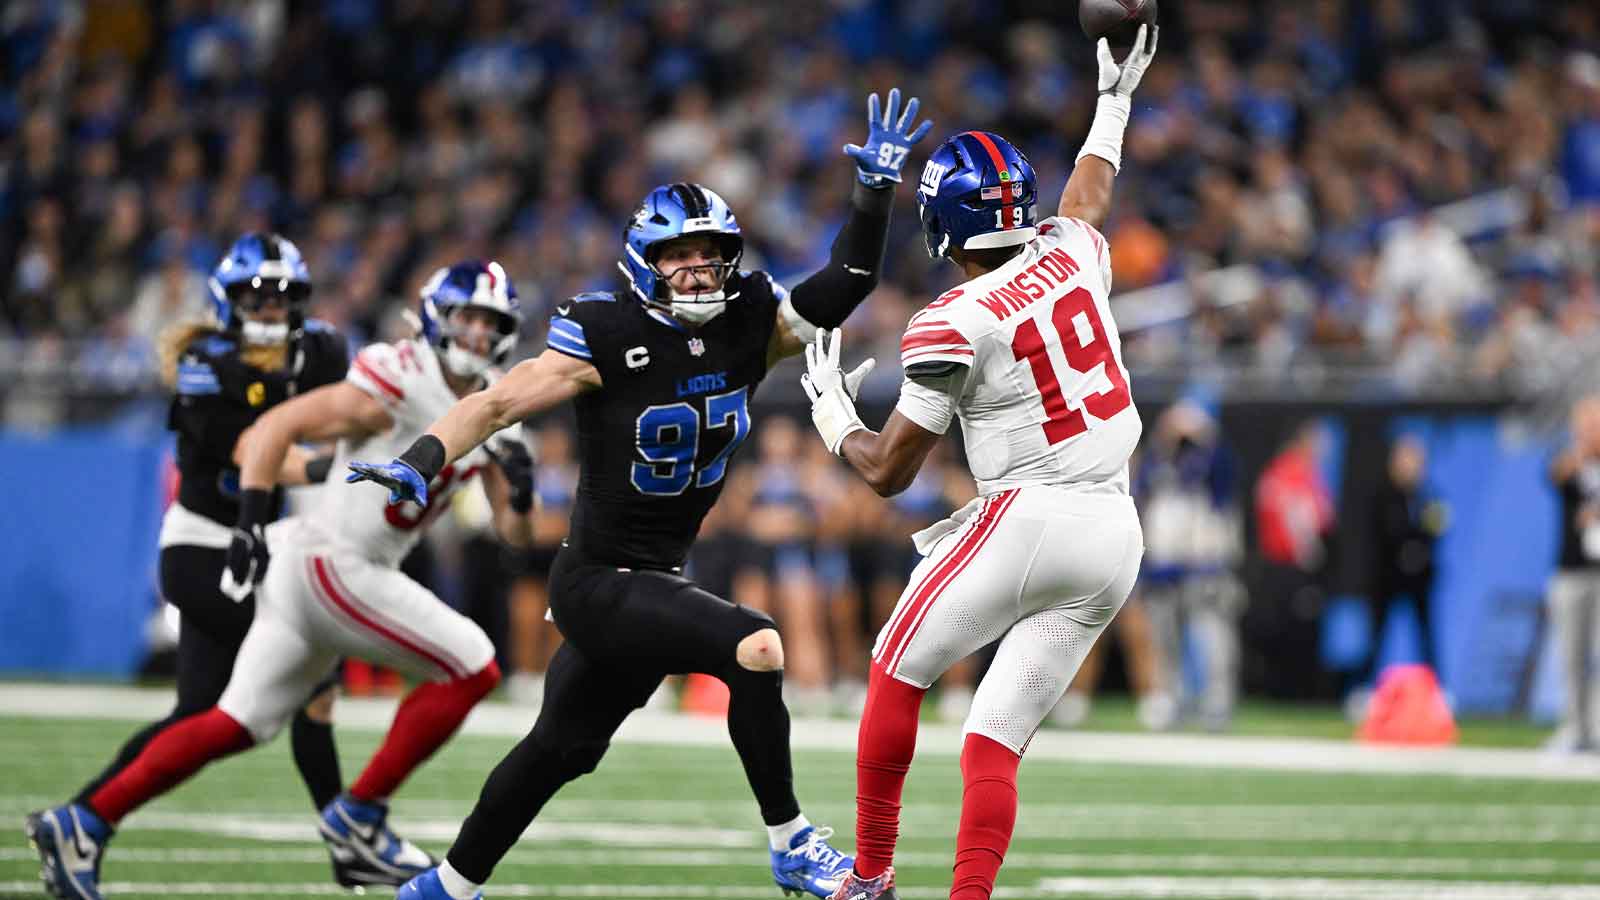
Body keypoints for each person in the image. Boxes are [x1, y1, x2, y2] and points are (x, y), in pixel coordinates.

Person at [349, 88, 933, 900]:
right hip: (595, 580)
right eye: (676, 255)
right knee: (756, 645)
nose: (696, 267)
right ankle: (792, 844)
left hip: (656, 577)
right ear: (644, 263)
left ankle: (443, 887)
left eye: (709, 252)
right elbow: (496, 401)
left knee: (560, 750)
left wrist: (872, 193)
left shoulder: (748, 322)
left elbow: (850, 278)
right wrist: (423, 457)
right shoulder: (605, 332)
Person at [27, 261, 535, 899]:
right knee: (474, 665)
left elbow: (509, 540)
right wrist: (247, 522)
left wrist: (517, 494)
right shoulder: (403, 378)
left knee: (237, 722)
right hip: (337, 559)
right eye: (468, 316)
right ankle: (361, 817)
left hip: (322, 570)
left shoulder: (498, 404)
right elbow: (274, 428)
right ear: (437, 316)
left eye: (492, 323)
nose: (479, 333)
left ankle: (84, 820)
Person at [800, 29, 1156, 900]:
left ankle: (872, 877)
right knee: (993, 739)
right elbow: (1090, 195)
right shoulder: (1072, 253)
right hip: (1115, 534)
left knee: (894, 668)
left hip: (1030, 516)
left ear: (939, 223)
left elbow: (889, 472)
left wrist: (833, 417)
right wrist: (1113, 101)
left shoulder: (953, 318)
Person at [26, 233, 352, 900]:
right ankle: (350, 838)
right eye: (256, 293)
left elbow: (343, 416)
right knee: (313, 671)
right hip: (205, 550)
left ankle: (79, 819)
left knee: (195, 715)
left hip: (255, 543)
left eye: (283, 294)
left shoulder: (319, 349)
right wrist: (335, 464)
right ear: (226, 300)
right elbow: (260, 455)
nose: (269, 305)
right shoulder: (208, 362)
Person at [1136, 400, 1245, 730]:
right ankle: (1171, 699)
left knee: (1212, 634)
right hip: (1163, 562)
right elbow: (1142, 490)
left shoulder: (1213, 462)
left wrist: (1204, 436)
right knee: (1163, 636)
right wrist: (1164, 440)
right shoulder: (1156, 462)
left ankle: (1217, 702)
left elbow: (1224, 476)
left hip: (1205, 562)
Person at [1366, 435, 1447, 681]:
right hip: (1388, 576)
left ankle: (1435, 688)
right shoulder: (1382, 494)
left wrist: (1420, 551)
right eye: (1408, 459)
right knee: (1378, 635)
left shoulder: (1428, 496)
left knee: (1425, 634)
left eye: (1417, 460)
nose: (1412, 465)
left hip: (1420, 578)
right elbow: (1385, 533)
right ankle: (1369, 686)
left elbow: (1436, 529)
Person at [1547, 394, 1600, 752]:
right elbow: (1556, 475)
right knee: (1571, 656)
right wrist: (1582, 453)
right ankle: (1574, 727)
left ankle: (1596, 728)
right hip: (1572, 571)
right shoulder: (1571, 462)